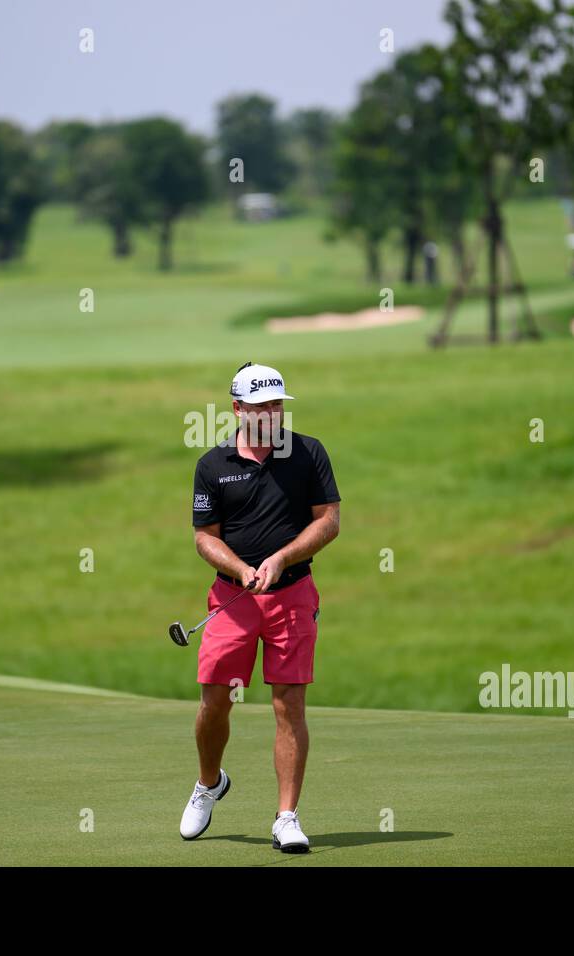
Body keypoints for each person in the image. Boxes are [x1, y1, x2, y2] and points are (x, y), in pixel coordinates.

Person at [180, 362, 341, 852]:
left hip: (292, 594)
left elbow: (329, 521)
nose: (272, 414)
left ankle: (286, 817)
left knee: (288, 704)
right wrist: (240, 566)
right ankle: (209, 783)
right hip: (232, 599)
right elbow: (204, 539)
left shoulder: (308, 454)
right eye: (262, 406)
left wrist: (283, 557)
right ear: (238, 410)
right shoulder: (213, 465)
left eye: (277, 405)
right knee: (215, 701)